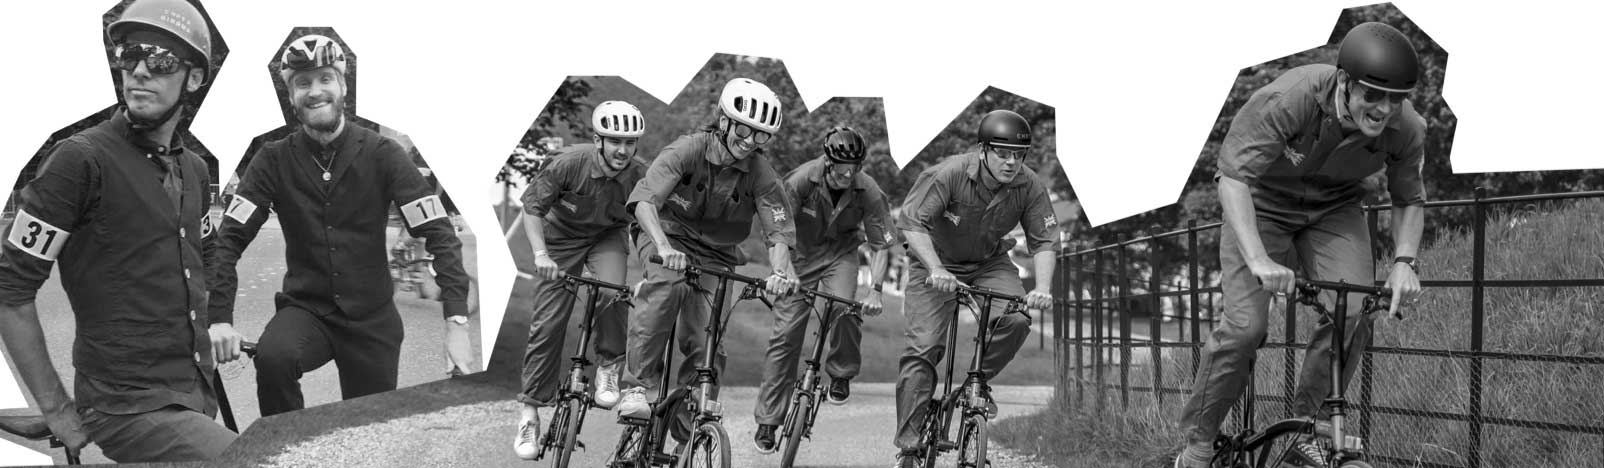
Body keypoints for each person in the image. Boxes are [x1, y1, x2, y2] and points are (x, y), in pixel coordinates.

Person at [1173, 22, 1426, 468]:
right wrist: (1257, 259)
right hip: (1261, 203)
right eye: (1373, 94)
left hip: (1334, 209)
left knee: (1351, 310)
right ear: (1344, 81)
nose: (1384, 109)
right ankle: (1198, 443)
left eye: (1396, 98)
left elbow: (1408, 199)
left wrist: (1406, 261)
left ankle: (1306, 435)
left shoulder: (1407, 129)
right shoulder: (1289, 98)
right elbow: (1233, 179)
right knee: (1245, 328)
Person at [0, 0, 233, 461]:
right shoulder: (79, 161)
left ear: (193, 78)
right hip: (123, 408)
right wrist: (57, 409)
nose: (140, 70)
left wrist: (219, 324)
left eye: (161, 59)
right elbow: (9, 289)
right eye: (130, 55)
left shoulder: (194, 170)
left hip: (193, 393)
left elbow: (206, 257)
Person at [206, 33, 472, 417]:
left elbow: (440, 234)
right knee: (273, 358)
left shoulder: (384, 154)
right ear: (291, 96)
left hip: (372, 321)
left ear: (343, 86)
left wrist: (457, 323)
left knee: (368, 433)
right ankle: (286, 448)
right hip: (307, 311)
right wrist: (219, 320)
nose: (315, 91)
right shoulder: (272, 160)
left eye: (325, 79)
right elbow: (228, 240)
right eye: (302, 83)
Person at [613, 78, 800, 421]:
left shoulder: (762, 173)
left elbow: (778, 232)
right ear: (724, 121)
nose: (750, 142)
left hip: (717, 253)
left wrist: (778, 272)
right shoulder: (687, 149)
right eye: (744, 130)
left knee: (707, 337)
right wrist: (665, 247)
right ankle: (636, 388)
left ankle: (691, 424)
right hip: (665, 235)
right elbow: (644, 201)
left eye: (761, 136)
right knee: (666, 290)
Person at [892, 109, 1058, 467]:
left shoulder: (1028, 185)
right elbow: (911, 223)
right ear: (983, 149)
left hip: (988, 262)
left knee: (1015, 319)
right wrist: (935, 267)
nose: (1012, 162)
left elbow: (1045, 240)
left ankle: (977, 381)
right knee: (923, 349)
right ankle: (909, 442)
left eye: (1019, 154)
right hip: (934, 264)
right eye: (1002, 152)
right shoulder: (948, 173)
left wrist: (1042, 286)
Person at [511, 101, 648, 459]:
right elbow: (532, 209)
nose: (622, 150)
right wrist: (540, 254)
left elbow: (650, 219)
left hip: (607, 238)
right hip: (561, 239)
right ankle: (530, 413)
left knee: (613, 293)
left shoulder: (638, 174)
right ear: (597, 139)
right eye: (614, 141)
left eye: (630, 142)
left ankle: (608, 366)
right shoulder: (569, 163)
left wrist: (653, 270)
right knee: (548, 323)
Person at [751, 126, 896, 453]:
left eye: (855, 167)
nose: (849, 174)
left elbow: (882, 245)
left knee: (845, 308)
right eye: (842, 168)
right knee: (785, 336)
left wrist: (874, 290)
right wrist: (784, 271)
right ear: (827, 161)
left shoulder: (868, 189)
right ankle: (768, 420)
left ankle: (841, 373)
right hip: (798, 257)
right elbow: (777, 232)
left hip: (840, 256)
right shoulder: (800, 181)